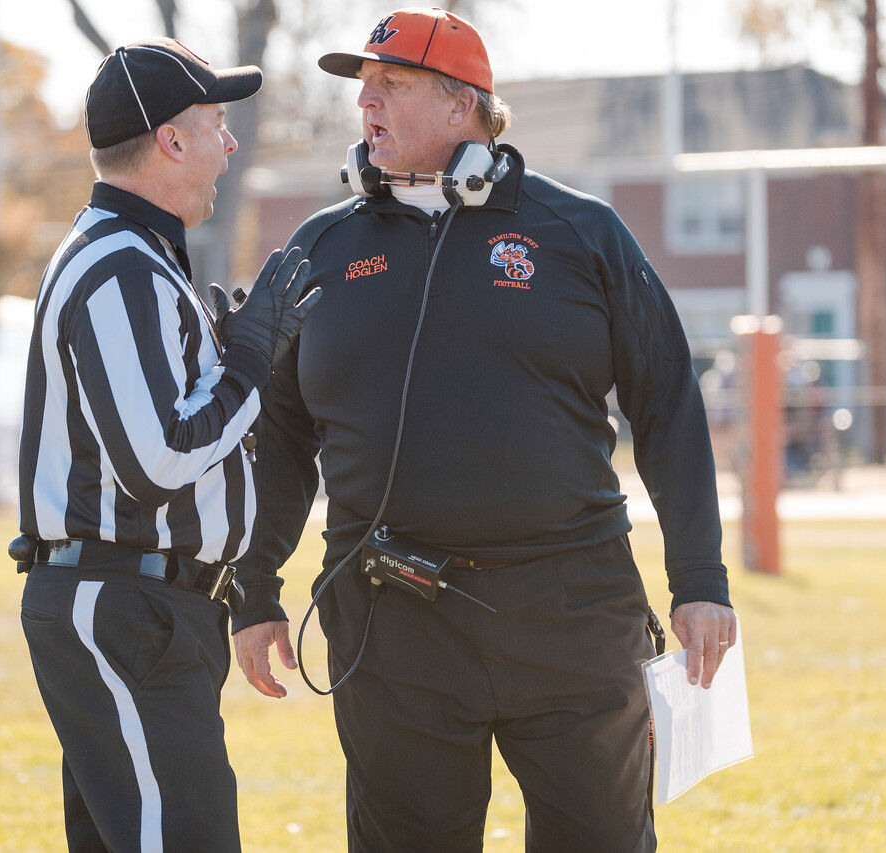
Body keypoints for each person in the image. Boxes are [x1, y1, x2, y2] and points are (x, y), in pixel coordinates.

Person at [231, 9, 737, 851]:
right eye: (364, 88)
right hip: (391, 623)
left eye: (392, 85)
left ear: (464, 103)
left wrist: (701, 578)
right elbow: (281, 439)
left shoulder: (582, 233)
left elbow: (668, 406)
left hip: (571, 613)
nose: (368, 104)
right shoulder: (317, 248)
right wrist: (253, 588)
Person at [15, 38, 319, 851]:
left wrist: (227, 361)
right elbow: (157, 463)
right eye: (216, 123)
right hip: (126, 602)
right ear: (170, 140)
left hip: (138, 602)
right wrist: (250, 360)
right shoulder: (120, 266)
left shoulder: (135, 256)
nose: (229, 143)